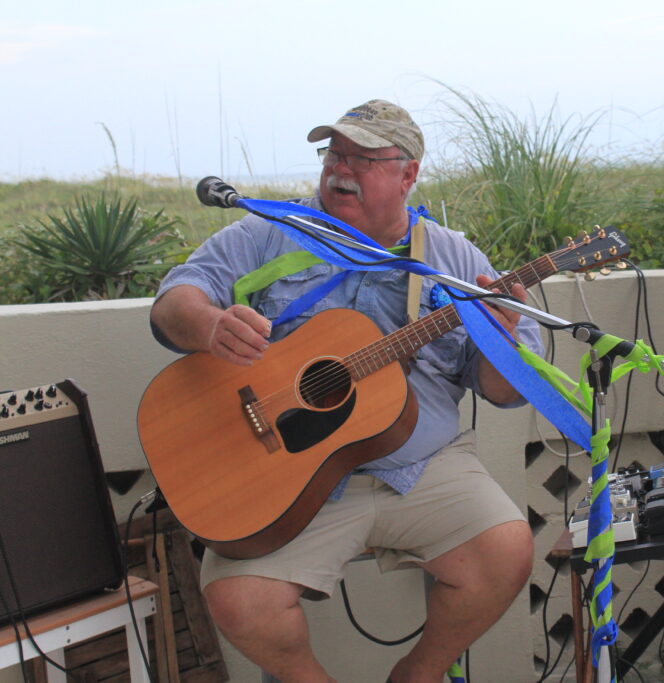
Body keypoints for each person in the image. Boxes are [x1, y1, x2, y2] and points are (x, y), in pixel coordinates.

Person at [149, 99, 542, 682]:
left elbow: (505, 394)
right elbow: (175, 299)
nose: (341, 169)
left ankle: (420, 673)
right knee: (239, 600)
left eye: (364, 158)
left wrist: (501, 342)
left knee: (507, 551)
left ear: (408, 174)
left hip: (421, 465)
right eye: (334, 153)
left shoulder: (453, 259)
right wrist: (208, 326)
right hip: (290, 473)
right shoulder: (269, 231)